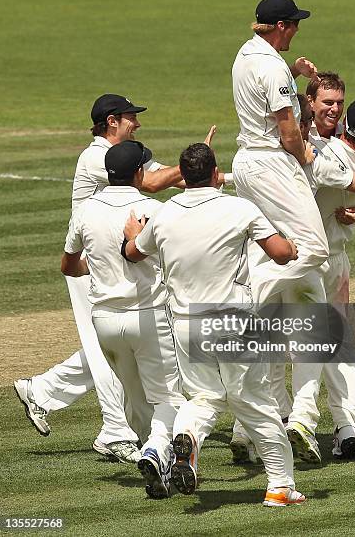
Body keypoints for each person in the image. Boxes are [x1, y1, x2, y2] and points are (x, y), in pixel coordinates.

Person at [14, 94, 214, 463]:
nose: (135, 123)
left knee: (114, 339)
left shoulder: (125, 153)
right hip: (92, 264)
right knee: (106, 344)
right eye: (129, 118)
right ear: (111, 122)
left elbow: (163, 175)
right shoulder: (97, 156)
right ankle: (114, 432)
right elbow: (153, 183)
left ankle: (40, 391)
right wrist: (197, 158)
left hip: (109, 261)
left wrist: (199, 176)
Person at [123, 143, 307, 507]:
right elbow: (282, 255)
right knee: (255, 402)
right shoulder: (239, 207)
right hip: (233, 321)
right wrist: (294, 245)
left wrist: (132, 232)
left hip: (188, 324)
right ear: (215, 173)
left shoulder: (165, 214)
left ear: (183, 175)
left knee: (204, 398)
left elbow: (133, 253)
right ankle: (280, 487)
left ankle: (187, 438)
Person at [61, 140, 185, 498]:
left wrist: (96, 267)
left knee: (134, 400)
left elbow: (68, 265)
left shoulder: (85, 211)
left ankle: (157, 465)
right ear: (137, 173)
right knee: (169, 398)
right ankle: (155, 450)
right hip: (147, 316)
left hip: (104, 321)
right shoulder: (152, 209)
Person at [287, 94, 355, 461]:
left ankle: (289, 418)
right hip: (337, 262)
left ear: (345, 121)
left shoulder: (326, 150)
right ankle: (347, 425)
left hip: (304, 259)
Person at [231, 0, 329, 310]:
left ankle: (253, 309)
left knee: (264, 246)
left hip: (247, 160)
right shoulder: (272, 68)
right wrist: (304, 157)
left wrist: (294, 71)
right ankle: (247, 296)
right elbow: (288, 129)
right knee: (315, 247)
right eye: (295, 25)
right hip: (271, 163)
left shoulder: (246, 54)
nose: (297, 31)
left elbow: (264, 87)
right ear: (281, 26)